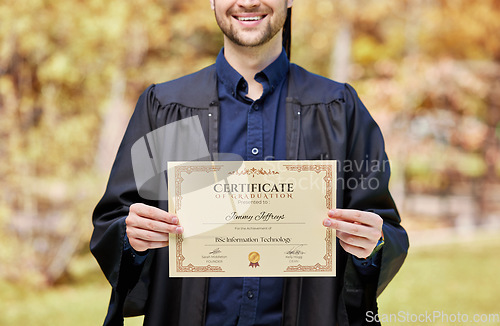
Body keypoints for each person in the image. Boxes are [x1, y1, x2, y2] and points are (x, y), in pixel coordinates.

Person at [90, 0, 409, 325]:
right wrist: (131, 237)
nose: (247, 2)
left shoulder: (337, 109)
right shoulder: (170, 108)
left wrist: (374, 242)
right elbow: (114, 224)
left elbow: (386, 231)